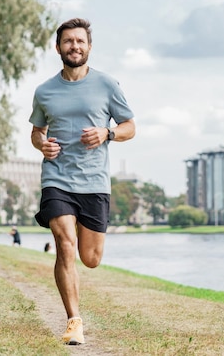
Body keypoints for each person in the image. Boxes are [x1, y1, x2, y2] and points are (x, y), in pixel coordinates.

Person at [29, 18, 136, 345]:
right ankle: (74, 320)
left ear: (88, 47)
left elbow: (130, 126)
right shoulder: (44, 91)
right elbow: (36, 131)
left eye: (79, 41)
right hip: (57, 178)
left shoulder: (107, 85)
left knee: (90, 258)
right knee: (65, 245)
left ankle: (76, 229)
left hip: (94, 183)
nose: (74, 46)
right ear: (58, 47)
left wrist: (108, 132)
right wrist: (41, 144)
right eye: (68, 41)